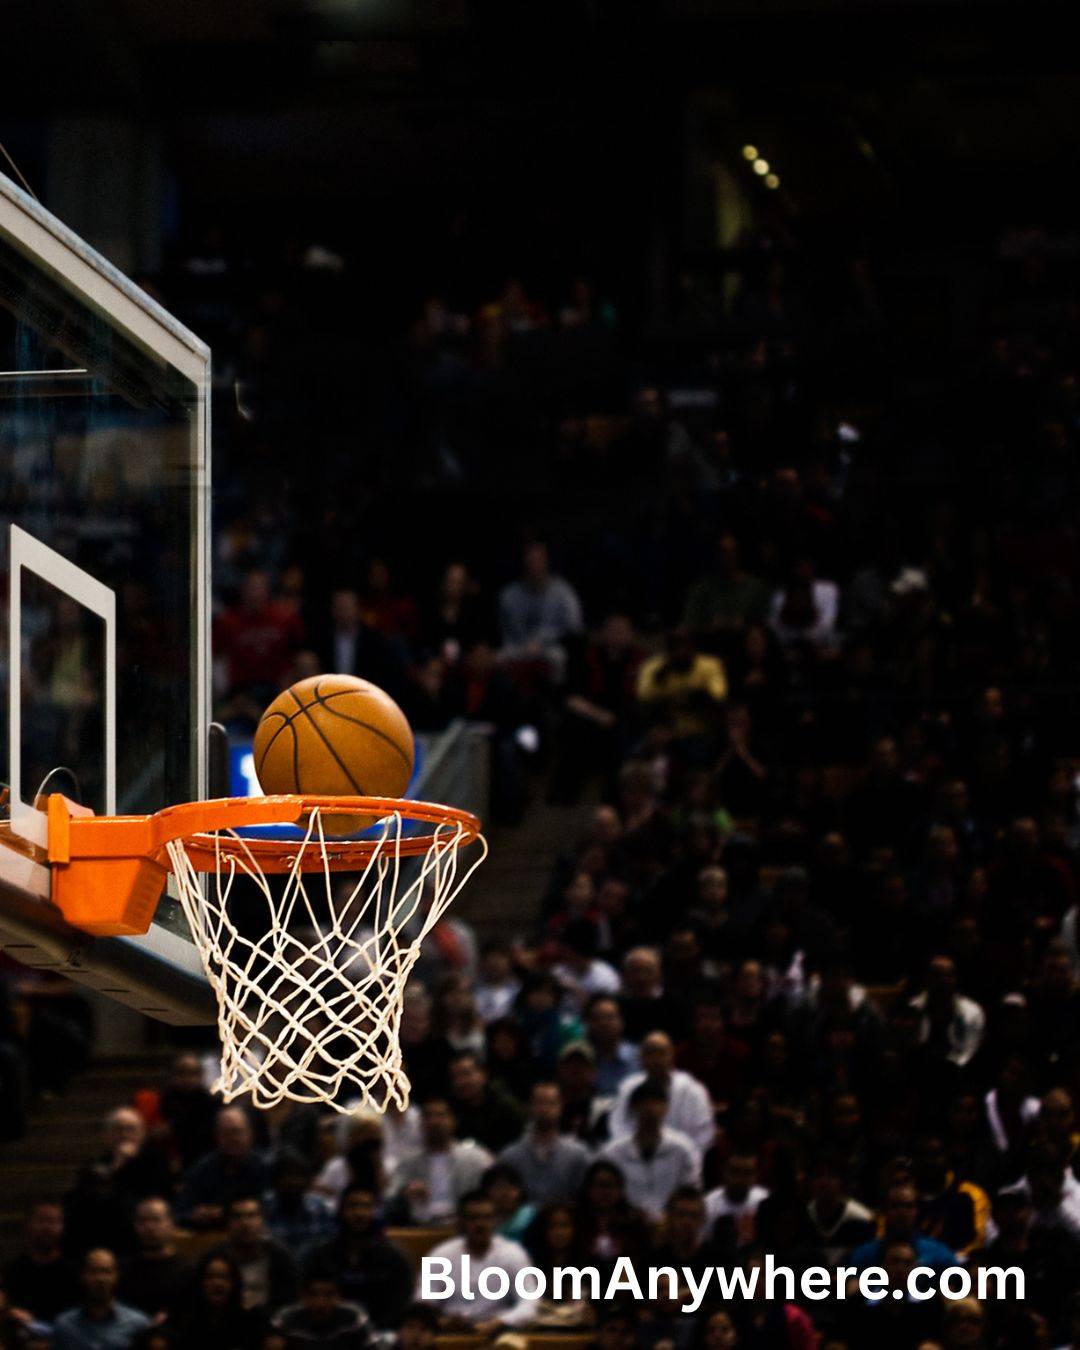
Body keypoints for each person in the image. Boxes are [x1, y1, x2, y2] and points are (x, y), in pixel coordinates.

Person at [302, 1185, 412, 1330]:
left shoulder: (394, 1258)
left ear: (375, 1212)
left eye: (366, 1206)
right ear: (341, 1211)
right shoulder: (319, 1255)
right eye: (353, 1206)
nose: (360, 1213)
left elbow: (399, 1308)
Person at [420, 1192, 531, 1329]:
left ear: (496, 1221)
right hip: (449, 1333)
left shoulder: (512, 1254)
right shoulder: (441, 1255)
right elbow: (423, 1304)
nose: (480, 1224)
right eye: (473, 1218)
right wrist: (442, 1322)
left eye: (487, 1218)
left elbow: (530, 1303)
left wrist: (500, 1321)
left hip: (495, 1333)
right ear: (461, 1222)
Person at [598, 1081, 702, 1220]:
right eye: (645, 1103)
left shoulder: (683, 1148)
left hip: (672, 1225)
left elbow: (691, 1192)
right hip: (627, 1225)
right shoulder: (612, 1153)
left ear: (666, 1108)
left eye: (656, 1103)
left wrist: (667, 1218)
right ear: (633, 1108)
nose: (650, 1109)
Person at [606, 1031, 716, 1153]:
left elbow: (703, 1133)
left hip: (681, 1160)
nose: (656, 1060)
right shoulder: (628, 1087)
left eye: (661, 1053)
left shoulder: (692, 1090)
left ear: (672, 1055)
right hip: (634, 1158)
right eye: (650, 1053)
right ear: (640, 1057)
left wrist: (682, 1155)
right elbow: (617, 1125)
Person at [388, 1099, 492, 1225]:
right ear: (421, 1124)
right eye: (428, 1117)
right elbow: (391, 1195)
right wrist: (405, 1193)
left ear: (453, 1121)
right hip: (420, 1226)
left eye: (441, 1116)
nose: (434, 1122)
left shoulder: (475, 1159)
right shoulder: (408, 1162)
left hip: (462, 1225)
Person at [498, 542, 584, 682]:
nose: (534, 566)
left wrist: (543, 642)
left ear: (546, 562)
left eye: (538, 560)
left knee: (559, 657)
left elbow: (574, 627)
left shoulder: (563, 592)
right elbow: (505, 629)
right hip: (517, 647)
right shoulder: (509, 594)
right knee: (498, 659)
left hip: (551, 647)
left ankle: (557, 698)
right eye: (530, 561)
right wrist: (523, 646)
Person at [498, 1083, 591, 1204]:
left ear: (561, 1107)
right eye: (539, 1103)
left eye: (551, 1103)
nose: (545, 1109)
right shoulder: (511, 1155)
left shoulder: (578, 1153)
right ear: (529, 1107)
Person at [178, 1108, 269, 1230]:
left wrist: (226, 1212)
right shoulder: (201, 1170)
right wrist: (198, 1215)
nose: (232, 1138)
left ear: (250, 1134)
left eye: (237, 1132)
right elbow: (181, 1212)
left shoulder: (265, 1167)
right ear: (217, 1136)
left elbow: (270, 1209)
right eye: (226, 1133)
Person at [209, 1197, 297, 1313]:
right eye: (237, 1217)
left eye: (251, 1216)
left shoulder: (280, 1256)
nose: (245, 1223)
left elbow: (287, 1303)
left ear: (262, 1220)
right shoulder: (215, 1257)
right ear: (227, 1223)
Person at [52, 1250, 151, 1350]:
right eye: (93, 1271)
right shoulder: (64, 1325)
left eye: (106, 1271)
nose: (100, 1279)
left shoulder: (137, 1324)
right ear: (83, 1275)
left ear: (116, 1276)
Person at [2, 1199, 80, 1325]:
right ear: (27, 1225)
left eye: (53, 1222)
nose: (47, 1227)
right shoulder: (12, 1272)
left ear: (62, 1227)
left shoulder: (75, 1272)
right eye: (41, 1221)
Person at [166, 1253, 263, 1350]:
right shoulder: (184, 1317)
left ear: (234, 1283)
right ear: (200, 1281)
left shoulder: (249, 1319)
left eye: (225, 1277)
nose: (217, 1283)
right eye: (210, 1277)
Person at [118, 1198, 191, 1320]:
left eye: (155, 1220)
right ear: (135, 1226)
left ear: (171, 1224)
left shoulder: (187, 1271)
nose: (149, 1227)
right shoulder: (123, 1270)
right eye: (142, 1221)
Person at [270, 1272, 375, 1350]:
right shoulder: (286, 1318)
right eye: (313, 1295)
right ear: (302, 1296)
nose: (321, 1302)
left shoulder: (354, 1318)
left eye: (328, 1295)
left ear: (339, 1297)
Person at [446, 1054, 525, 1152]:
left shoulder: (506, 1106)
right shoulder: (451, 1111)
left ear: (483, 1074)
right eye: (454, 1077)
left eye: (466, 1074)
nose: (461, 1082)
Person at [260, 1151, 335, 1252]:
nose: (293, 1181)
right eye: (287, 1176)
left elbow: (329, 1242)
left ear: (307, 1181)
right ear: (276, 1181)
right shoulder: (263, 1206)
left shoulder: (319, 1207)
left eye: (298, 1176)